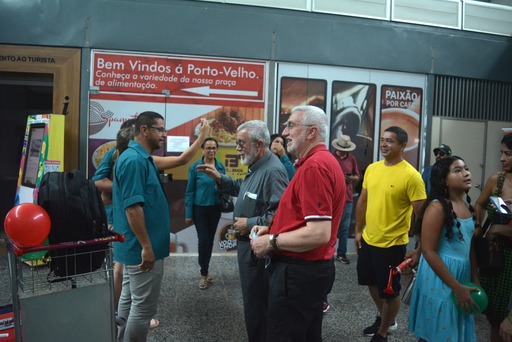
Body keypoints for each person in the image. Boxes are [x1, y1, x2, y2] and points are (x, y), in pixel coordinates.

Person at [94, 117, 210, 331]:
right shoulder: (133, 161)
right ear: (144, 130)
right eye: (160, 129)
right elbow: (133, 209)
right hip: (140, 247)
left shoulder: (143, 158)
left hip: (141, 245)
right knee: (142, 308)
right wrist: (147, 247)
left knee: (130, 303)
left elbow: (182, 159)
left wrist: (202, 136)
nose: (164, 134)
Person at [250, 105, 346, 342]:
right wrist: (273, 228)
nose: (284, 132)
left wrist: (271, 241)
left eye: (291, 125)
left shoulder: (315, 166)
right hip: (307, 272)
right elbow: (304, 218)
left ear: (312, 132)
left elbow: (318, 233)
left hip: (298, 273)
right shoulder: (317, 162)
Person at [196, 120, 288, 342]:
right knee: (252, 304)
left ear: (259, 144)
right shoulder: (257, 166)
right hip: (249, 249)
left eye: (240, 143)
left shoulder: (273, 171)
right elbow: (243, 189)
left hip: (259, 251)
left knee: (257, 306)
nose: (236, 148)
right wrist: (220, 179)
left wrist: (248, 224)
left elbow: (280, 217)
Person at [354, 126, 426, 342]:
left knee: (390, 292)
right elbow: (363, 200)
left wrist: (420, 247)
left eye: (390, 141)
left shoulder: (411, 176)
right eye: (383, 140)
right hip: (368, 239)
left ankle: (383, 332)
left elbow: (421, 215)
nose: (384, 144)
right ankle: (385, 317)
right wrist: (358, 230)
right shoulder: (373, 169)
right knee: (370, 282)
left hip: (392, 244)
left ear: (403, 145)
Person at [408, 156, 479, 341]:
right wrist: (455, 287)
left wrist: (475, 278)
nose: (466, 173)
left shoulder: (469, 208)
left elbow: (470, 247)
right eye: (457, 170)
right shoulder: (438, 207)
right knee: (436, 328)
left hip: (461, 274)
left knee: (454, 326)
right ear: (443, 180)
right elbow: (428, 251)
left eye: (466, 168)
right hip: (440, 276)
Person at [475, 133, 512, 342]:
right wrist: (480, 225)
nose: (502, 158)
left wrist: (498, 229)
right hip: (495, 257)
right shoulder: (496, 180)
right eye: (501, 153)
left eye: (508, 154)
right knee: (495, 318)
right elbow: (480, 204)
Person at [185, 137, 226, 290]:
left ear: (217, 150)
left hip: (215, 208)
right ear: (203, 149)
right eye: (208, 148)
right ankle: (203, 274)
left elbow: (225, 187)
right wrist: (188, 214)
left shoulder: (220, 167)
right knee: (203, 240)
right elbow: (189, 191)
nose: (211, 151)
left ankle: (206, 270)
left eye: (214, 148)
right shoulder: (195, 168)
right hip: (199, 209)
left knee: (209, 241)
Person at [332, 135, 360, 264]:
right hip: (332, 196)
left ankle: (341, 253)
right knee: (330, 226)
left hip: (347, 196)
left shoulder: (351, 159)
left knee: (344, 227)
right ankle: (328, 251)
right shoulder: (331, 158)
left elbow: (357, 176)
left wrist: (351, 179)